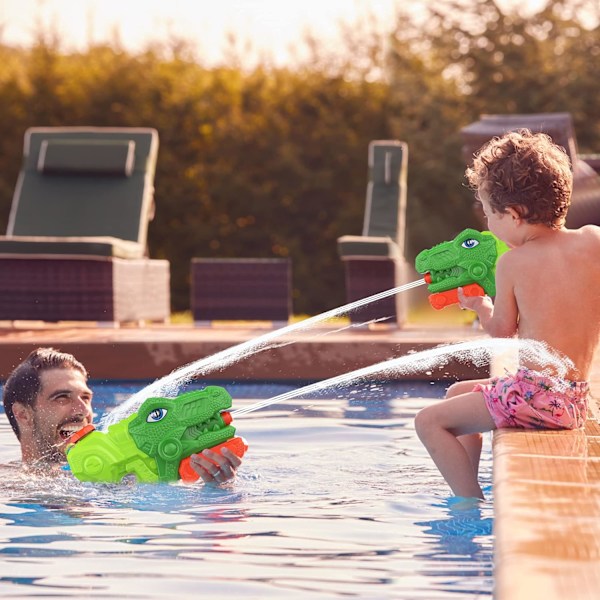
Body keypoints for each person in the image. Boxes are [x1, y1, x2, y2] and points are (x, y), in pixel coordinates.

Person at [414, 129, 600, 499]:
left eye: (488, 214)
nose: (488, 225)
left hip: (534, 398)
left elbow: (502, 332)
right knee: (456, 394)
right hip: (574, 398)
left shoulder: (513, 263)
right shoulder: (593, 240)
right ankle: (472, 480)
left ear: (513, 215)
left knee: (429, 422)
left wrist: (479, 304)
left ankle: (468, 503)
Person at [2, 347, 242, 483]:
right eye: (61, 398)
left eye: (85, 398)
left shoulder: (129, 477)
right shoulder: (11, 485)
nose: (83, 410)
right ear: (23, 414)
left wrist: (217, 486)